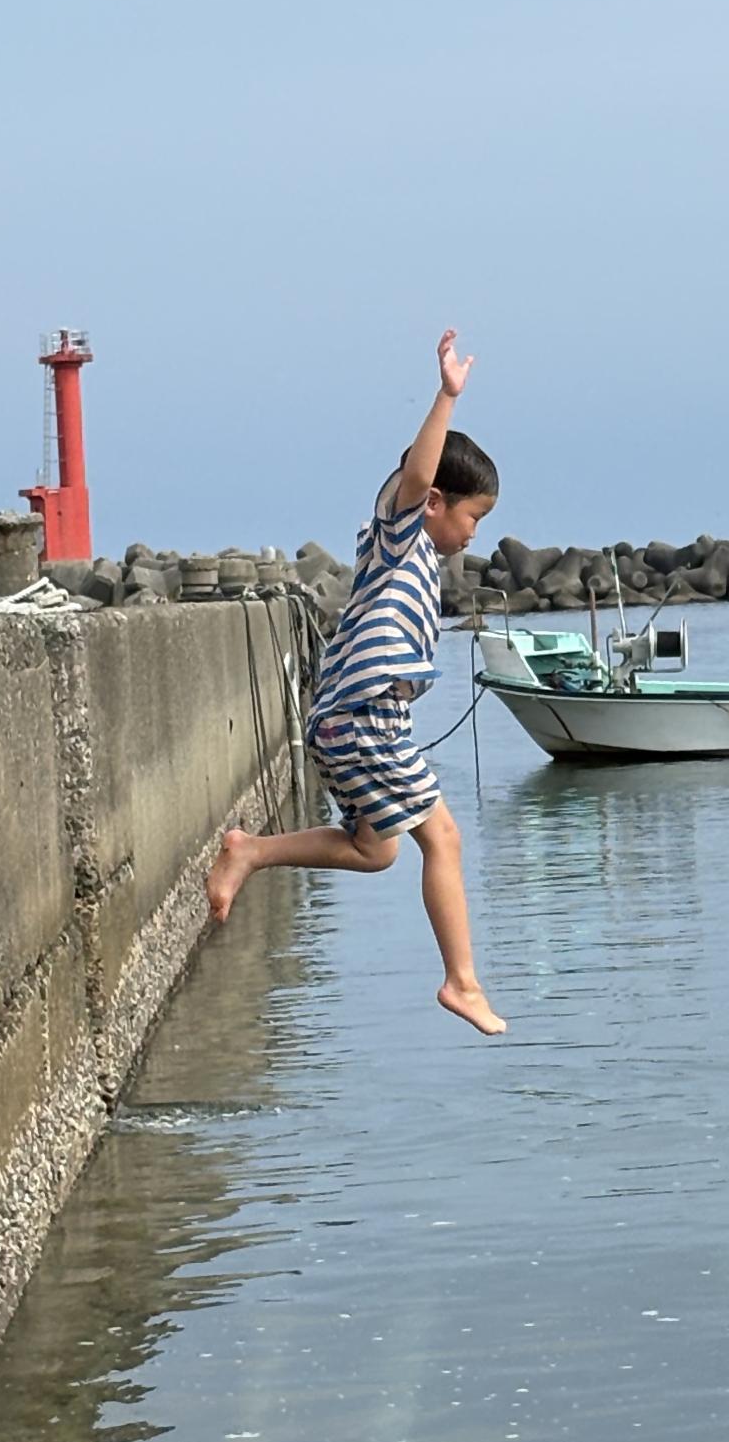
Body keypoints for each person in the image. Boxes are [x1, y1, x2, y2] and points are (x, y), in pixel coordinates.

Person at [206, 331, 506, 1037]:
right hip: (361, 715)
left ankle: (249, 852)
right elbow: (418, 471)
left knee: (378, 848)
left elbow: (426, 485)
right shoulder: (400, 530)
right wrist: (446, 397)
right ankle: (461, 981)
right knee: (444, 839)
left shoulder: (413, 554)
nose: (474, 533)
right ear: (434, 503)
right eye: (472, 516)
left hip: (364, 720)